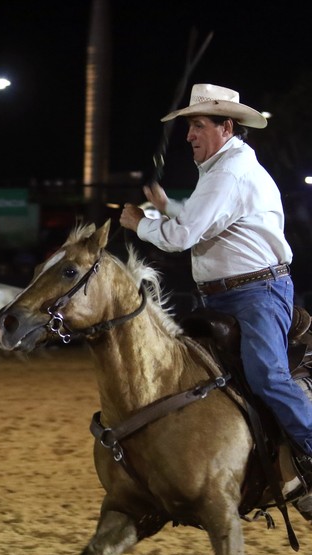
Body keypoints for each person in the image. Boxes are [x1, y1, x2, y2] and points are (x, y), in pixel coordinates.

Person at [119, 83, 312, 482]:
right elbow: (206, 218)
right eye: (189, 127)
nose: (189, 135)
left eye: (199, 125)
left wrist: (143, 224)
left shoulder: (229, 173)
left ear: (226, 127)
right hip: (228, 296)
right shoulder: (224, 169)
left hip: (257, 294)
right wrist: (167, 207)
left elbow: (184, 236)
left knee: (266, 376)